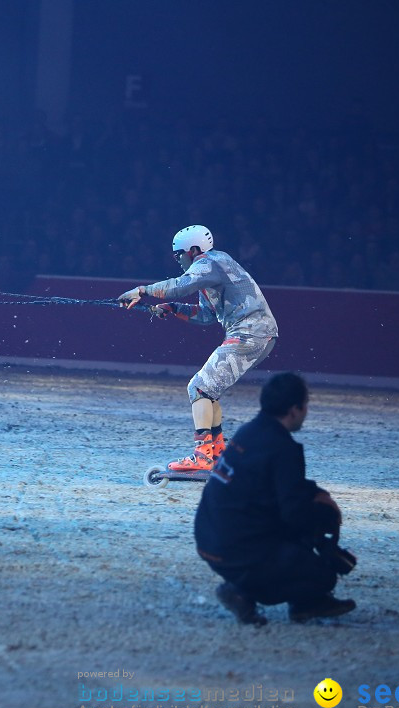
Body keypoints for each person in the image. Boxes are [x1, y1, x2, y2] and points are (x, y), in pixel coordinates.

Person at [194, 372, 356, 625]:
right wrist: (327, 519)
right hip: (236, 551)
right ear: (294, 409)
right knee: (322, 574)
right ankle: (250, 592)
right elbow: (294, 513)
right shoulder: (284, 449)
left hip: (208, 539)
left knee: (295, 529)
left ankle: (251, 588)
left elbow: (278, 487)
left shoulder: (248, 432)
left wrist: (314, 495)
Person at [117, 225, 278, 472]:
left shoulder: (210, 261)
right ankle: (218, 455)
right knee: (208, 391)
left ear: (193, 250)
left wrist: (142, 291)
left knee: (199, 387)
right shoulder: (212, 270)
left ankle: (202, 456)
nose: (177, 259)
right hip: (257, 334)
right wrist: (172, 308)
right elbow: (205, 315)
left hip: (250, 333)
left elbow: (181, 285)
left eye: (178, 254)